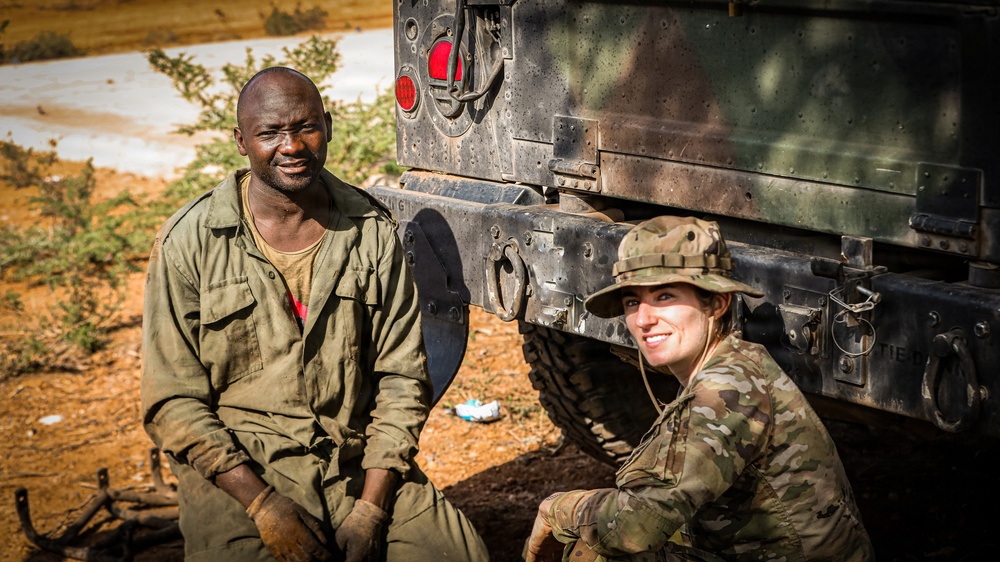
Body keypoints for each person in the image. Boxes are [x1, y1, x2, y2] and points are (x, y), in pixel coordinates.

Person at [141, 66, 489, 562]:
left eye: (305, 126)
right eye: (270, 133)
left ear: (328, 124)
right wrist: (262, 506)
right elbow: (172, 401)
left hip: (356, 461)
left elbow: (403, 379)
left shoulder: (372, 231)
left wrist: (371, 509)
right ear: (241, 141)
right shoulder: (190, 241)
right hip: (242, 475)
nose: (292, 146)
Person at [523, 216, 874, 562]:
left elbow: (636, 526)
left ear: (717, 303)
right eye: (632, 302)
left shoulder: (727, 388)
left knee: (594, 552)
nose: (643, 319)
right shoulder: (729, 364)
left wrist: (561, 508)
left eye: (664, 296)